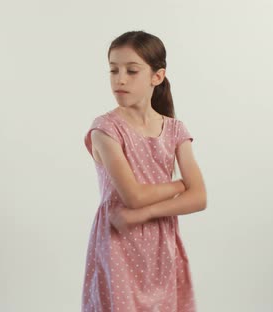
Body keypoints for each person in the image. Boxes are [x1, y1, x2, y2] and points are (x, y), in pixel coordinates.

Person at [82, 31, 207, 312]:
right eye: (113, 70)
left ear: (157, 76)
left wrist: (145, 214)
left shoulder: (175, 129)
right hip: (119, 243)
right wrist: (178, 187)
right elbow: (134, 196)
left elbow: (199, 197)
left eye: (131, 70)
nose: (120, 79)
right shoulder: (105, 129)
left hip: (162, 242)